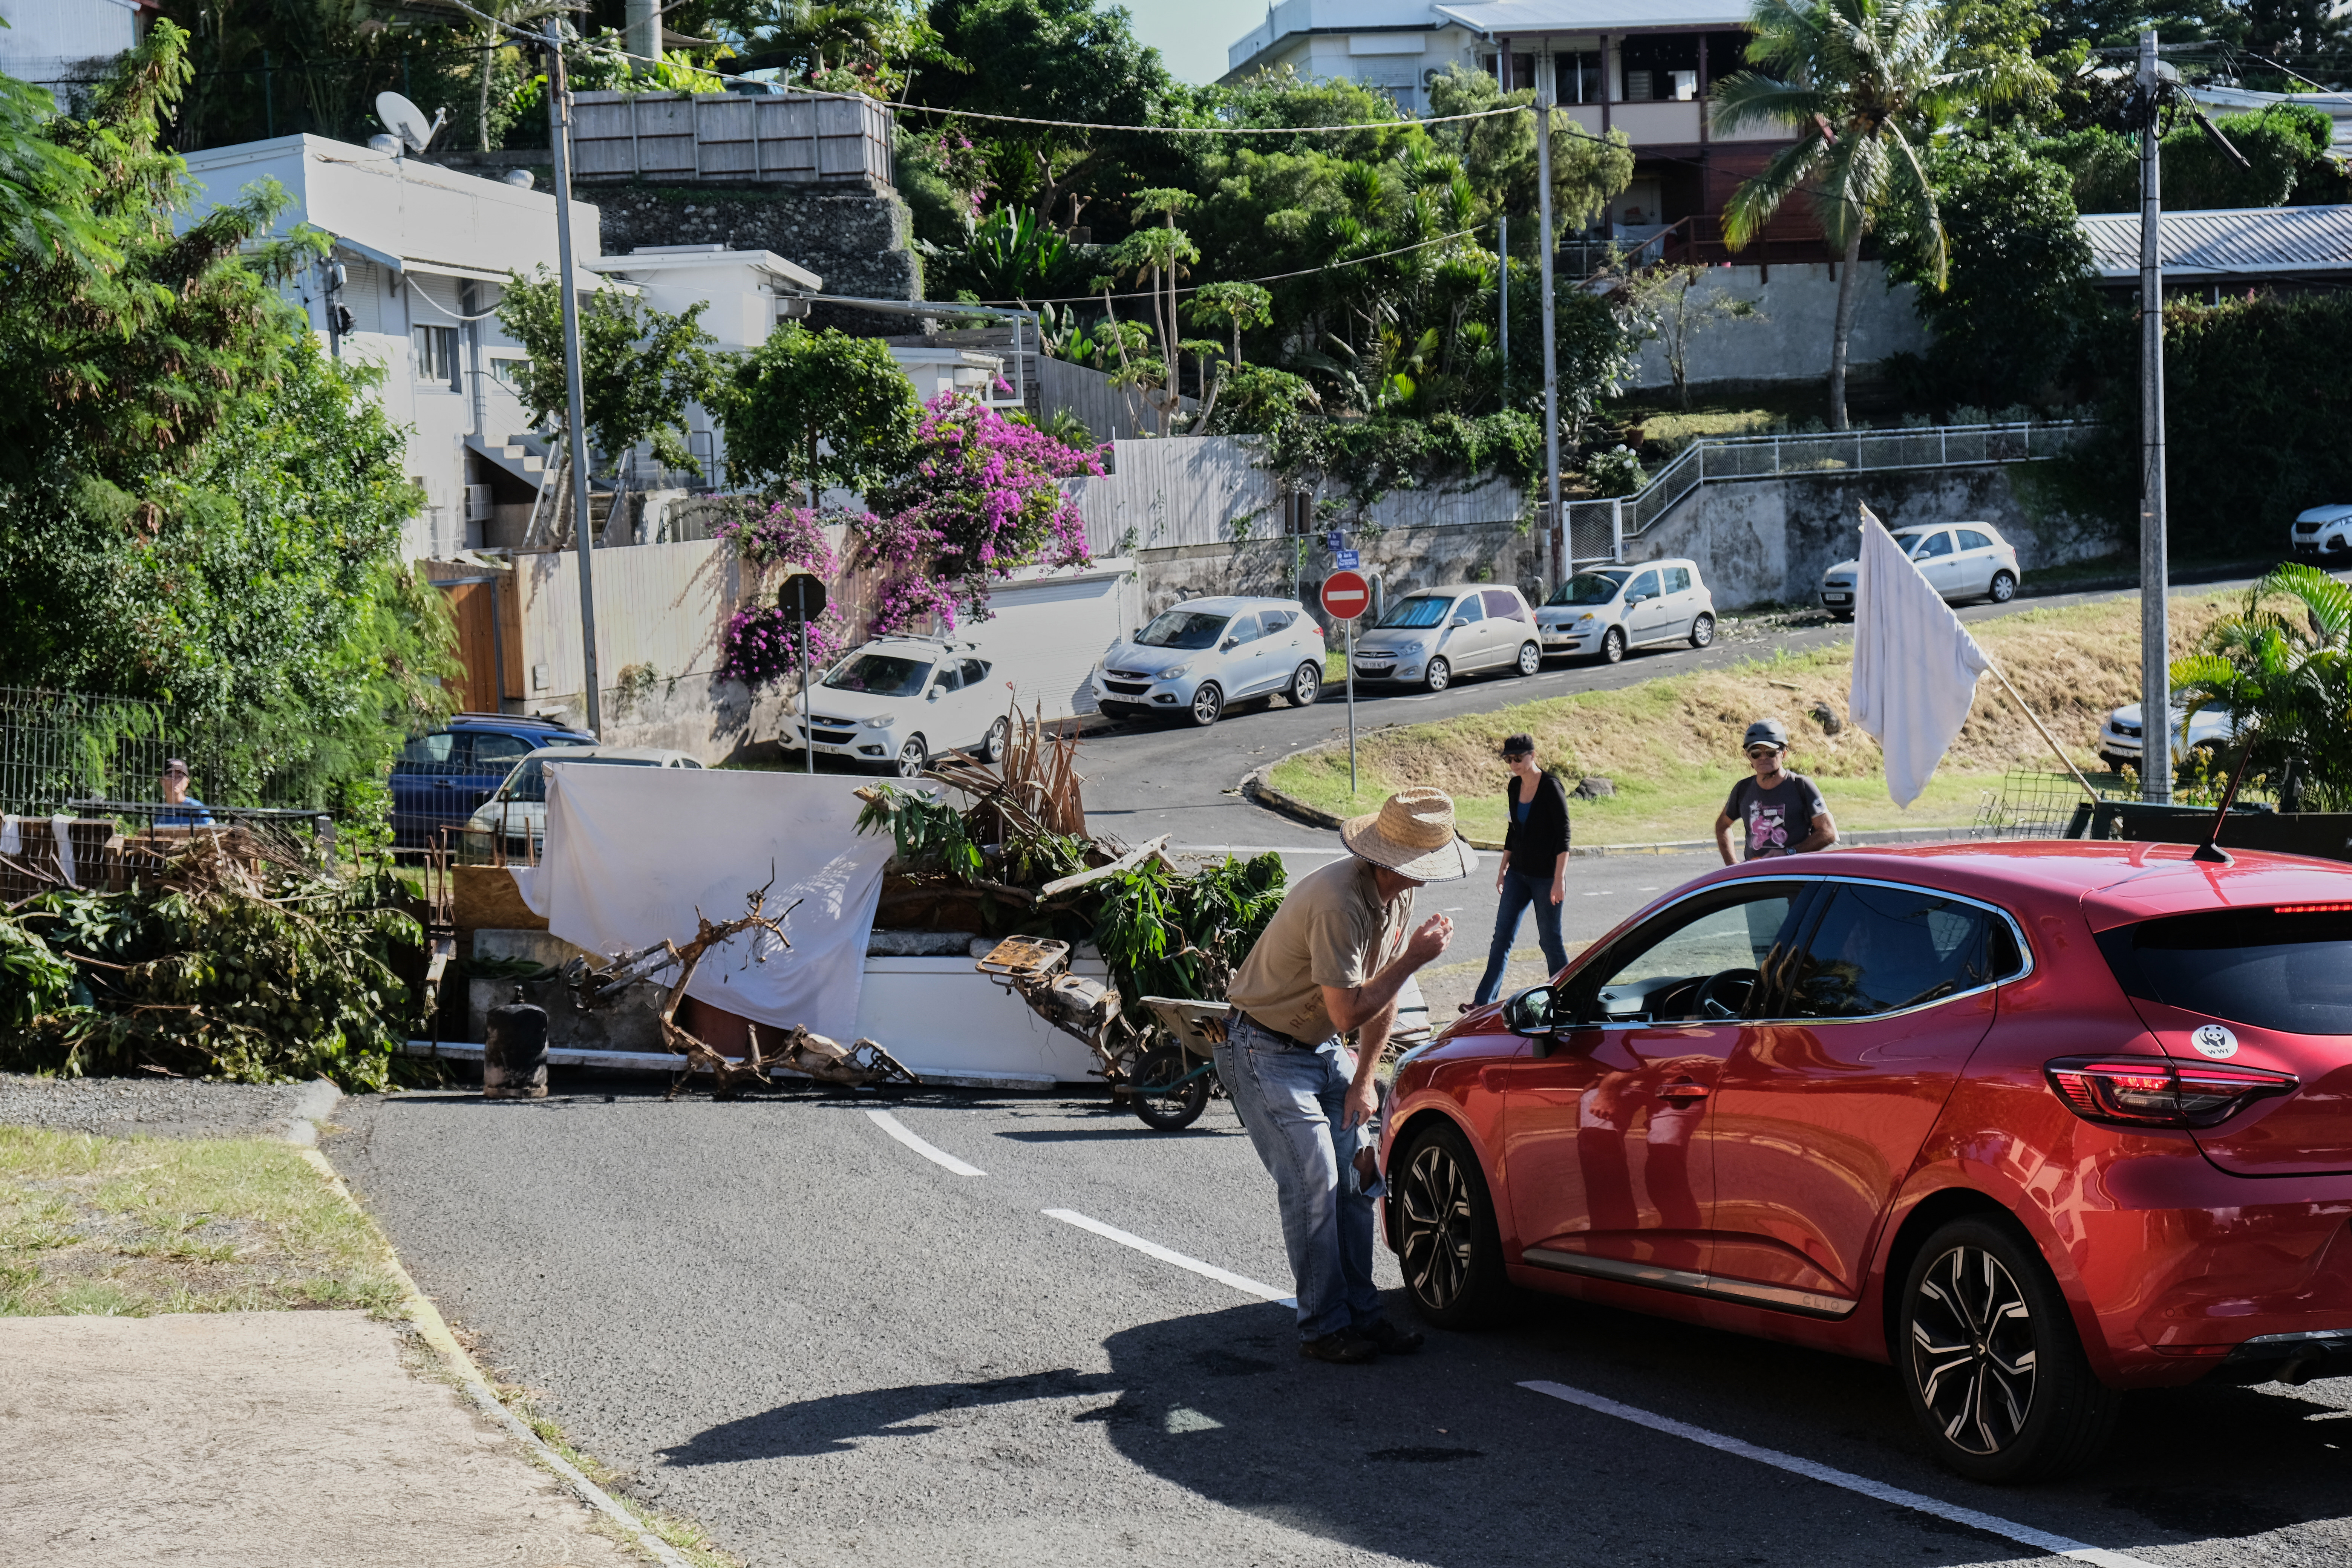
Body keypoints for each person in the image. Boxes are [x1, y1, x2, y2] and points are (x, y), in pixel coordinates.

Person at [1220, 788, 1467, 1364]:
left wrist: (1363, 1079)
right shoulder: (1340, 902)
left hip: (1319, 1047)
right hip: (1263, 1047)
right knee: (1316, 1181)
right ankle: (1323, 1328)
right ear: (1397, 860)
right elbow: (1348, 1009)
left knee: (1360, 1176)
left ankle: (1363, 1313)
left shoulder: (1396, 896)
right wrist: (1414, 959)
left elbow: (1381, 999)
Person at [1472, 734, 1571, 1005]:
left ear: (1533, 755)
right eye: (1509, 759)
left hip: (1546, 878)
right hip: (1518, 874)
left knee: (1550, 941)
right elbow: (1513, 829)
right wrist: (1503, 867)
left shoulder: (1551, 787)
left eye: (1518, 758)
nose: (1514, 764)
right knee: (1501, 938)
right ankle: (1482, 1003)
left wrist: (1559, 880)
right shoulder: (1514, 786)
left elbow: (1564, 836)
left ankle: (1566, 999)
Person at [1715, 720, 1834, 864]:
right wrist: (1732, 866)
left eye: (1771, 752)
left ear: (1784, 754)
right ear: (1748, 756)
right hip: (1757, 879)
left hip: (1795, 876)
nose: (1763, 757)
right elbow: (1722, 826)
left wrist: (1790, 852)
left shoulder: (1801, 786)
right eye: (1756, 753)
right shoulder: (1743, 789)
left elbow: (1828, 832)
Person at [154, 759, 214, 828]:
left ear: (187, 782)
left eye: (180, 777)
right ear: (162, 781)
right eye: (170, 776)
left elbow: (213, 828)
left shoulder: (195, 808)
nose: (175, 780)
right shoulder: (160, 811)